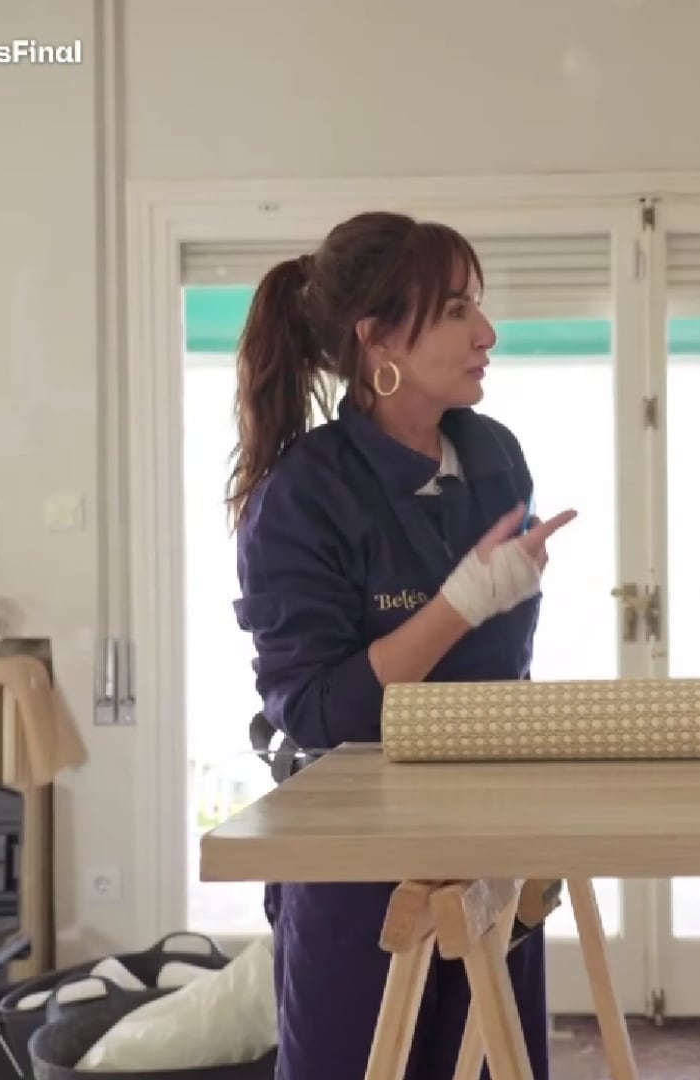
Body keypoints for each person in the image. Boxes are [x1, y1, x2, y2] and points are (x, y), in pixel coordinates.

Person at [227, 211, 575, 1080]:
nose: (485, 334)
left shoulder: (494, 457)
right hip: (359, 865)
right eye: (457, 310)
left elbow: (500, 673)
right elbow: (317, 713)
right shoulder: (303, 497)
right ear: (377, 338)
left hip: (487, 840)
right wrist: (461, 600)